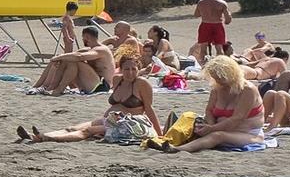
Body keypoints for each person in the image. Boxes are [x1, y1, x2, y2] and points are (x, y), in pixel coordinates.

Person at [19, 48, 159, 144]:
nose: (130, 73)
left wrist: (159, 134)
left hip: (126, 124)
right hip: (108, 119)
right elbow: (116, 104)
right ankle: (37, 135)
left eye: (133, 69)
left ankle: (44, 138)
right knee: (72, 128)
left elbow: (149, 109)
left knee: (87, 131)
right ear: (121, 69)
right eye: (126, 69)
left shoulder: (142, 84)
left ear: (138, 69)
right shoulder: (118, 80)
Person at [146, 55, 264, 153]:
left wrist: (212, 129)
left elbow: (237, 118)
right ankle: (166, 141)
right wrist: (209, 124)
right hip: (217, 127)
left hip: (246, 133)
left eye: (220, 78)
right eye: (215, 77)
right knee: (189, 117)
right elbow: (209, 110)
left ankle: (176, 149)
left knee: (218, 136)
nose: (218, 81)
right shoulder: (217, 88)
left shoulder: (247, 90)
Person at [25, 25, 114, 95]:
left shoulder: (101, 50)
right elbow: (70, 55)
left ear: (86, 37)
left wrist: (59, 57)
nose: (83, 40)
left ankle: (56, 88)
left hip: (101, 85)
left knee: (72, 61)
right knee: (64, 59)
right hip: (89, 83)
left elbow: (79, 56)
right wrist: (59, 57)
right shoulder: (90, 49)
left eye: (83, 38)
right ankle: (42, 86)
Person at [192, 0, 232, 65]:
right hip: (218, 25)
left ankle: (203, 65)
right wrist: (229, 17)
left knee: (203, 47)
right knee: (219, 48)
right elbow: (227, 20)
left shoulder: (201, 2)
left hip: (205, 24)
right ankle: (221, 66)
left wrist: (205, 13)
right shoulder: (222, 3)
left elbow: (196, 15)